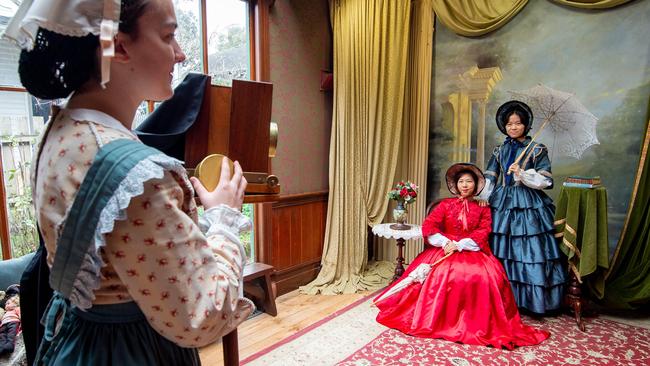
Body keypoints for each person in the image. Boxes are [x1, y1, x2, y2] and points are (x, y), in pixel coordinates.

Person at [3, 0, 253, 364]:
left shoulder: (59, 134)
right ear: (118, 45)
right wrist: (224, 218)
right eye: (168, 36)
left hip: (74, 341)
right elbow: (203, 316)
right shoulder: (140, 177)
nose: (181, 55)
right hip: (134, 351)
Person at [374, 163, 549, 349]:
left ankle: (471, 323)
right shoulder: (445, 205)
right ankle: (434, 318)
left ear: (476, 185)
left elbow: (483, 232)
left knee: (481, 277)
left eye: (469, 181)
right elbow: (429, 225)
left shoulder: (483, 207)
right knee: (439, 274)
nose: (465, 185)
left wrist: (459, 245)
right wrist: (445, 243)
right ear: (455, 185)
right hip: (444, 249)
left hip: (471, 249)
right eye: (461, 181)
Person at [478, 100, 567, 315]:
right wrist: (484, 196)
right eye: (509, 124)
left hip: (528, 202)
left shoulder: (537, 149)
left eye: (517, 124)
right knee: (502, 247)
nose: (513, 128)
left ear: (526, 125)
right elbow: (491, 175)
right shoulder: (499, 149)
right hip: (503, 201)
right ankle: (500, 297)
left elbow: (546, 180)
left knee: (529, 249)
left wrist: (522, 174)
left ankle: (530, 302)